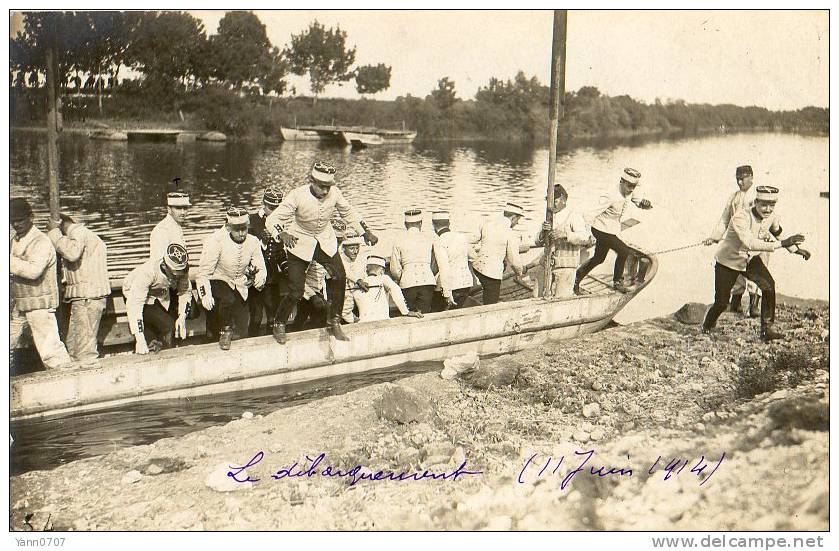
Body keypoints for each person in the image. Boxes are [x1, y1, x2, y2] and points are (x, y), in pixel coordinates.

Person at [266, 161, 378, 344]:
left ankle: (334, 320)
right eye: (322, 187)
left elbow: (348, 212)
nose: (325, 191)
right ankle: (279, 323)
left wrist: (365, 231)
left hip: (324, 240)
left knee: (340, 276)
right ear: (312, 181)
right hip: (298, 242)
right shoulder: (297, 195)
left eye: (328, 187)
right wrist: (282, 233)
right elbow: (273, 219)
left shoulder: (335, 193)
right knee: (296, 290)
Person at [701, 186, 809, 342]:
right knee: (722, 302)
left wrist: (796, 250)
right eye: (763, 204)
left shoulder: (772, 216)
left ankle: (767, 330)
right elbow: (750, 243)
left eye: (771, 205)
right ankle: (707, 326)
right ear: (756, 202)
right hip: (728, 262)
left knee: (769, 286)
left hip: (750, 259)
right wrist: (783, 243)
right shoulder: (740, 217)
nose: (767, 209)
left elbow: (777, 231)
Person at [10, 198, 73, 370]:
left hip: (40, 303)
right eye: (12, 220)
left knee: (50, 349)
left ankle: (64, 378)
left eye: (20, 219)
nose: (16, 224)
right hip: (20, 303)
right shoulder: (14, 240)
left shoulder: (41, 241)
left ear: (31, 217)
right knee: (10, 342)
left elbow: (33, 271)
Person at [197, 207, 267, 350]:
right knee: (226, 299)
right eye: (236, 229)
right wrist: (205, 295)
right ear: (228, 227)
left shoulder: (253, 241)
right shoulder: (215, 241)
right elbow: (203, 273)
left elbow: (260, 265)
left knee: (243, 327)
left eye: (244, 229)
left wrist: (261, 277)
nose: (241, 233)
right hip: (218, 280)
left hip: (239, 283)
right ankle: (225, 330)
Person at [575, 168, 652, 294]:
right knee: (624, 251)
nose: (631, 189)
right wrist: (587, 234)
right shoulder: (609, 195)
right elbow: (589, 214)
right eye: (629, 186)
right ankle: (617, 282)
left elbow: (637, 200)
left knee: (599, 258)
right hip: (600, 229)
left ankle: (577, 277)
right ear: (622, 181)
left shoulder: (629, 190)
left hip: (611, 230)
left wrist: (644, 204)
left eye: (634, 186)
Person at [47, 213, 110, 364]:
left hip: (88, 297)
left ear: (60, 223)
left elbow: (72, 253)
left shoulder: (79, 232)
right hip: (84, 296)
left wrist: (54, 233)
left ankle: (90, 379)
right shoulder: (83, 235)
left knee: (84, 350)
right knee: (74, 347)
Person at [703, 165, 759, 315]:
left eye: (743, 179)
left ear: (751, 177)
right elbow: (725, 218)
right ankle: (736, 301)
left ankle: (754, 304)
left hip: (753, 239)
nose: (740, 183)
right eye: (738, 179)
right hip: (736, 240)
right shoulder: (734, 197)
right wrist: (714, 237)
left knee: (754, 270)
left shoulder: (757, 196)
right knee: (735, 269)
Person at [123, 243, 192, 355]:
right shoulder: (148, 272)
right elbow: (134, 305)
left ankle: (162, 346)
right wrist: (139, 338)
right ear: (164, 266)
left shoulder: (181, 271)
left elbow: (185, 292)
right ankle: (153, 345)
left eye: (181, 273)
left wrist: (182, 317)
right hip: (134, 293)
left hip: (160, 294)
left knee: (176, 321)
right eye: (175, 274)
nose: (179, 277)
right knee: (168, 325)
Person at [536, 185, 596, 298]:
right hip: (546, 265)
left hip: (565, 268)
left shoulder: (573, 217)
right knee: (536, 297)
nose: (551, 204)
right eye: (548, 201)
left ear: (563, 200)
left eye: (554, 200)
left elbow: (585, 238)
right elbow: (537, 242)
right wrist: (542, 233)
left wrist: (566, 235)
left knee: (560, 301)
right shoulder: (549, 217)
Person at [390, 209, 452, 313]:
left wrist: (402, 277)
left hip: (407, 283)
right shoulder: (429, 238)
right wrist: (429, 274)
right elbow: (435, 264)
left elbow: (395, 269)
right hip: (427, 282)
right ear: (421, 223)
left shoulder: (398, 240)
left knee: (409, 313)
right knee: (425, 313)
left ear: (405, 224)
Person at [471, 202, 532, 305]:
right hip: (492, 274)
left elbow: (471, 241)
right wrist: (520, 272)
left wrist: (473, 257)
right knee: (491, 304)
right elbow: (514, 260)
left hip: (477, 268)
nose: (517, 223)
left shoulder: (487, 224)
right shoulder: (511, 234)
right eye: (517, 220)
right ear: (513, 217)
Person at [247, 186, 286, 337]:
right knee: (256, 317)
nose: (274, 211)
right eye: (271, 207)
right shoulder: (251, 220)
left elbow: (279, 250)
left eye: (277, 208)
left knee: (272, 317)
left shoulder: (279, 223)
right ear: (263, 203)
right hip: (255, 276)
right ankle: (252, 344)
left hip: (272, 277)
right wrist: (260, 239)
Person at [353, 256, 423, 323]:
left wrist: (351, 319)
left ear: (366, 270)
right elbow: (395, 290)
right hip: (382, 321)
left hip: (363, 323)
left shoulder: (357, 285)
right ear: (381, 270)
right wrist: (406, 311)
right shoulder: (383, 278)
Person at [430, 211, 473, 311]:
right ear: (449, 223)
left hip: (452, 286)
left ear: (433, 225)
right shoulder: (462, 237)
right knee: (456, 310)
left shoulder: (439, 241)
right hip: (466, 283)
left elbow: (444, 268)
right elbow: (473, 256)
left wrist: (447, 293)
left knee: (436, 311)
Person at [150, 191, 190, 261]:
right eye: (178, 208)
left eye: (185, 208)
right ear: (169, 209)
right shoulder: (161, 231)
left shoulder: (176, 226)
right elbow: (157, 264)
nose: (183, 212)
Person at [339, 235, 370, 323]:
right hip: (345, 298)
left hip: (358, 295)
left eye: (357, 248)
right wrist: (358, 281)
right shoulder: (339, 260)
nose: (355, 251)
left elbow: (364, 275)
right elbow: (346, 272)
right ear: (344, 248)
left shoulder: (360, 259)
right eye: (352, 248)